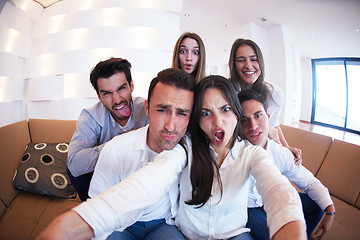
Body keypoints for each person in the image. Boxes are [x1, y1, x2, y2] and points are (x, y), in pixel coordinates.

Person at [36, 75, 306, 240]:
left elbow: (275, 185)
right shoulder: (182, 149)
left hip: (207, 231)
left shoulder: (250, 153)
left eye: (225, 109)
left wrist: (289, 221)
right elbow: (150, 180)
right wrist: (77, 223)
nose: (170, 125)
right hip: (146, 228)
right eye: (206, 113)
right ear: (148, 108)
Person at [87, 68, 194, 239]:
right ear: (147, 108)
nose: (171, 126)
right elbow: (96, 206)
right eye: (162, 110)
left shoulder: (191, 150)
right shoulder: (115, 150)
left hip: (163, 224)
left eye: (182, 113)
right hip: (121, 226)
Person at [238, 90, 335, 240]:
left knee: (316, 203)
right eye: (245, 119)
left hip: (271, 200)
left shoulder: (280, 152)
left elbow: (308, 181)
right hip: (248, 209)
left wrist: (330, 210)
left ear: (268, 117)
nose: (253, 126)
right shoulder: (232, 151)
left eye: (258, 115)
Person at [67, 57, 149, 201]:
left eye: (121, 88)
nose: (117, 100)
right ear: (99, 96)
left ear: (131, 85)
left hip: (140, 181)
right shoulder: (90, 116)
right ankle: (95, 214)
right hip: (106, 185)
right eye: (107, 93)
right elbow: (74, 165)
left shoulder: (148, 109)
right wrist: (119, 143)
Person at [228, 38, 301, 162]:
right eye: (241, 60)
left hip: (261, 152)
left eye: (253, 59)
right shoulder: (227, 91)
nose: (248, 65)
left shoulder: (274, 94)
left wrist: (286, 148)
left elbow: (274, 125)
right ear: (234, 65)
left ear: (261, 62)